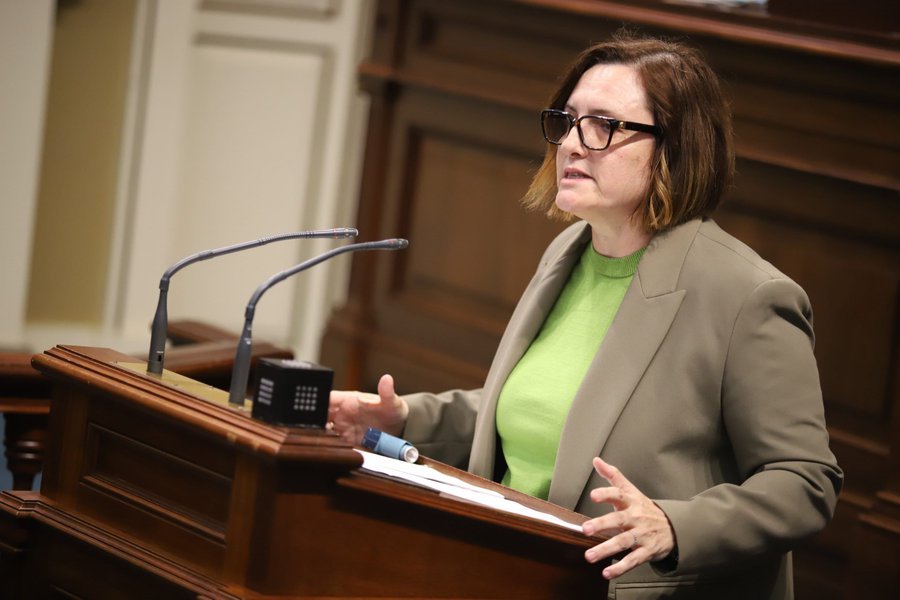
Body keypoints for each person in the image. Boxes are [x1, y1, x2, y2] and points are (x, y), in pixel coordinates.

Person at [329, 30, 842, 599]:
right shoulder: (569, 252)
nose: (571, 144)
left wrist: (675, 526)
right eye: (567, 121)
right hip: (509, 568)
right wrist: (404, 420)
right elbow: (549, 411)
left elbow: (805, 482)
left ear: (674, 147)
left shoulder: (749, 295)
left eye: (603, 125)